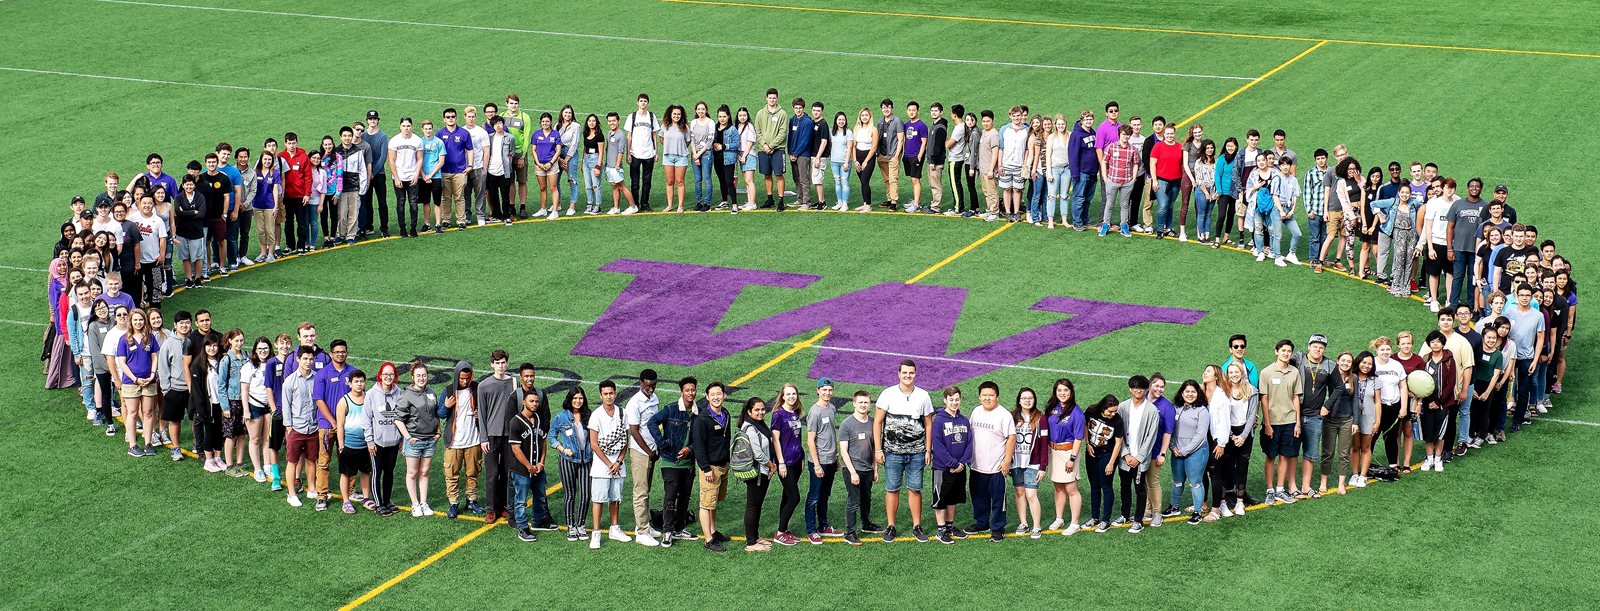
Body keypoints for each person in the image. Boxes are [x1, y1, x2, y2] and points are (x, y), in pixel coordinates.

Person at [873, 359, 934, 543]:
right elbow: (877, 422)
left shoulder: (923, 395)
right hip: (892, 452)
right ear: (899, 374)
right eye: (905, 373)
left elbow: (928, 424)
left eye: (911, 373)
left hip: (916, 452)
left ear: (915, 374)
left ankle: (916, 526)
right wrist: (878, 449)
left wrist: (927, 450)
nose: (908, 376)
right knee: (892, 489)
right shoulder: (887, 394)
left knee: (915, 489)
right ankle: (891, 525)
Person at [646, 376, 699, 547]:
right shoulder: (671, 409)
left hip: (689, 463)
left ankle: (679, 528)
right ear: (681, 392)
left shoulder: (700, 412)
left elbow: (699, 438)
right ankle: (667, 531)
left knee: (684, 497)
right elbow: (652, 422)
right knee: (670, 497)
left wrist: (690, 449)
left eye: (693, 390)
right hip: (670, 462)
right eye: (687, 390)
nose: (690, 393)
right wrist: (661, 443)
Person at [967, 381, 1015, 542]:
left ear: (997, 397)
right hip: (976, 465)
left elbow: (1011, 438)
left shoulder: (1004, 414)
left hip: (996, 467)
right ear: (979, 397)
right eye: (984, 395)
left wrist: (1007, 460)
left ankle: (997, 527)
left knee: (998, 499)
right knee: (978, 496)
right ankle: (982, 523)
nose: (987, 398)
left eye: (991, 395)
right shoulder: (975, 412)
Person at [475, 351, 519, 524]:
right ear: (491, 364)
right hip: (492, 436)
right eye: (497, 363)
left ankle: (505, 507)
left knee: (507, 473)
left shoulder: (514, 383)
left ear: (507, 363)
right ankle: (491, 508)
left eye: (503, 362)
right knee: (492, 474)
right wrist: (483, 438)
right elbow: (482, 414)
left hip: (510, 436)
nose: (501, 366)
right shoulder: (483, 386)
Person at [587, 380, 633, 549]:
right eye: (605, 394)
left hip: (618, 464)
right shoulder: (596, 415)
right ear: (601, 396)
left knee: (615, 497)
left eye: (611, 393)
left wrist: (619, 461)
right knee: (598, 499)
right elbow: (594, 444)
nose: (609, 396)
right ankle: (596, 533)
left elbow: (625, 440)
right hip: (601, 466)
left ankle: (615, 528)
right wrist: (609, 464)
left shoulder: (623, 413)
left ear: (616, 394)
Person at [436, 361, 482, 519]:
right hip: (454, 442)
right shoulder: (448, 390)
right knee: (451, 474)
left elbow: (486, 408)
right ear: (457, 376)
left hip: (474, 440)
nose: (464, 381)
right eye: (462, 378)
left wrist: (479, 414)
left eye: (467, 378)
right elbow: (440, 414)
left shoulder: (476, 388)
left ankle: (472, 500)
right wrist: (447, 406)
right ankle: (453, 503)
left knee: (473, 473)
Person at [1259, 340, 1303, 504]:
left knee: (1285, 455)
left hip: (1290, 421)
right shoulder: (1266, 372)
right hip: (1273, 423)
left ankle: (1280, 490)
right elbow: (1264, 399)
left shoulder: (1294, 372)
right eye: (1283, 350)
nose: (1286, 353)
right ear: (1276, 352)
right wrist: (1267, 424)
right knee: (1271, 456)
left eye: (1289, 351)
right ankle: (1270, 490)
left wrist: (1297, 423)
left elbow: (1296, 397)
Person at [311, 339, 353, 510]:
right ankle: (321, 496)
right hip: (327, 426)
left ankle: (350, 491)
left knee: (348, 459)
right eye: (337, 352)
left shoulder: (353, 372)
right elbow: (319, 400)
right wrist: (334, 422)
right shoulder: (322, 374)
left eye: (343, 351)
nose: (340, 354)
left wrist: (344, 423)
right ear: (331, 354)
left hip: (349, 425)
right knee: (324, 461)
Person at [690, 381, 733, 551]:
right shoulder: (702, 419)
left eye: (719, 394)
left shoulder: (726, 414)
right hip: (710, 468)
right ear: (707, 397)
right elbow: (699, 446)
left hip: (723, 465)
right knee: (706, 504)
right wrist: (706, 468)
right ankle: (708, 539)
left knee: (714, 501)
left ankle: (713, 531)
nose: (716, 397)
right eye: (712, 395)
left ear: (724, 395)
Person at [396, 358, 441, 517]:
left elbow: (435, 414)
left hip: (430, 440)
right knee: (412, 473)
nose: (422, 378)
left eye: (424, 375)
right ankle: (415, 504)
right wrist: (408, 438)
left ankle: (424, 502)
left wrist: (438, 432)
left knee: (425, 472)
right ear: (412, 377)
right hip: (415, 440)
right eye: (418, 376)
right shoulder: (406, 395)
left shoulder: (431, 392)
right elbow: (398, 419)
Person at [364, 360, 409, 517]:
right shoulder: (371, 394)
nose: (388, 377)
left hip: (394, 442)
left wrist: (402, 439)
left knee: (389, 472)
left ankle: (387, 501)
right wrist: (370, 441)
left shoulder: (399, 393)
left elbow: (404, 418)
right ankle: (378, 503)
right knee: (377, 472)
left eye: (391, 374)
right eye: (385, 374)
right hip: (377, 443)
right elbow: (367, 420)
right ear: (380, 376)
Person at [1114, 376, 1159, 533]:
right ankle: (1125, 514)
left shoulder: (1152, 410)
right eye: (1134, 388)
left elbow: (1151, 437)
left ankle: (1138, 520)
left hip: (1141, 460)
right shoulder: (1123, 407)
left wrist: (1138, 457)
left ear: (1146, 390)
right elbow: (1118, 433)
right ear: (1130, 389)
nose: (1137, 390)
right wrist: (1126, 454)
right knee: (1124, 486)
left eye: (1141, 388)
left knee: (1140, 488)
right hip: (1125, 458)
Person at [624, 369, 663, 547]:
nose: (651, 389)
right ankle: (641, 531)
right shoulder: (633, 403)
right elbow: (634, 431)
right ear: (641, 383)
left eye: (653, 386)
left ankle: (645, 524)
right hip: (641, 452)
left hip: (651, 450)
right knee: (640, 491)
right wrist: (649, 451)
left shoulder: (654, 399)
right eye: (648, 386)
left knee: (646, 490)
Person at [1293, 334, 1335, 498]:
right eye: (1315, 346)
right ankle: (1292, 487)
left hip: (1315, 417)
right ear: (1309, 346)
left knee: (1310, 454)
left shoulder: (1329, 365)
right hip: (1294, 416)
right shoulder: (1298, 358)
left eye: (1321, 347)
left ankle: (1306, 486)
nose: (1318, 349)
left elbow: (1338, 388)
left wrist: (1327, 405)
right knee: (1291, 453)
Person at [115, 308, 160, 457]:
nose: (138, 322)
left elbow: (154, 358)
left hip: (149, 381)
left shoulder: (150, 338)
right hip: (130, 382)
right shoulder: (124, 339)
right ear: (131, 321)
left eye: (141, 319)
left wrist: (152, 374)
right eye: (135, 320)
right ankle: (133, 445)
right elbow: (122, 363)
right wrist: (135, 379)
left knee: (148, 412)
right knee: (132, 413)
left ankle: (148, 443)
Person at [837, 390, 880, 546]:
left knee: (866, 498)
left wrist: (875, 469)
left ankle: (866, 524)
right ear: (854, 403)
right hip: (852, 469)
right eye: (860, 402)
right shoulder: (846, 424)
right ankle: (849, 532)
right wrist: (853, 472)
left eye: (866, 402)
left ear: (870, 404)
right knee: (854, 501)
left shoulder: (873, 422)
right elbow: (843, 450)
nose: (863, 405)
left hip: (868, 468)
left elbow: (876, 448)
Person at [803, 378, 844, 543]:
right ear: (818, 390)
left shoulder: (832, 408)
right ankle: (811, 530)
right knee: (814, 496)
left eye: (830, 390)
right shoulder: (815, 412)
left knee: (825, 495)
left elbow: (831, 435)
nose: (827, 393)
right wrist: (817, 465)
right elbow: (810, 440)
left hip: (831, 460)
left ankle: (824, 526)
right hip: (818, 463)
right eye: (824, 390)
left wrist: (836, 458)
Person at [930, 385, 972, 544]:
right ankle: (941, 530)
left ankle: (950, 526)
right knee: (941, 499)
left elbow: (970, 443)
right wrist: (952, 463)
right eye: (951, 400)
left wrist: (962, 462)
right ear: (945, 400)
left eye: (957, 399)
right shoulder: (939, 420)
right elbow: (937, 445)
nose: (954, 402)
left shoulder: (964, 420)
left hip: (960, 468)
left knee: (953, 498)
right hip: (943, 468)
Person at [551, 386, 593, 540]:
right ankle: (570, 526)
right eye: (575, 398)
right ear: (569, 399)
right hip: (568, 460)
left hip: (586, 460)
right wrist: (562, 449)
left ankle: (580, 525)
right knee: (570, 494)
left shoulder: (589, 415)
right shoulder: (561, 417)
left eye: (580, 398)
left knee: (586, 494)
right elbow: (552, 436)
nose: (577, 401)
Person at [1215, 362, 1258, 515]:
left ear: (1242, 373)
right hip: (1227, 433)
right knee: (1225, 467)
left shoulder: (1252, 390)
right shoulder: (1223, 391)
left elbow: (1252, 414)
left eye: (1236, 372)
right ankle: (1223, 502)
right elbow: (1222, 417)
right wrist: (1232, 436)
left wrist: (1244, 436)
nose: (1234, 374)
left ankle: (1240, 502)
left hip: (1245, 433)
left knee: (1242, 466)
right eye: (1231, 372)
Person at [281, 347, 320, 507]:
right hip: (296, 428)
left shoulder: (317, 378)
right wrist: (289, 428)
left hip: (313, 428)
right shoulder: (289, 381)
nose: (308, 362)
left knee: (312, 460)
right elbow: (286, 406)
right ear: (298, 359)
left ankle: (312, 488)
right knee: (293, 461)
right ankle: (291, 494)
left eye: (311, 359)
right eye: (305, 359)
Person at [1045, 378, 1085, 534]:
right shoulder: (1051, 408)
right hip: (1053, 452)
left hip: (1068, 452)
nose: (1062, 393)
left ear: (1071, 392)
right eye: (1059, 390)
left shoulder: (1077, 412)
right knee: (1058, 487)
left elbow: (1078, 438)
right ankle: (1059, 518)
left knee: (1071, 488)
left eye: (1066, 390)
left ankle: (1075, 523)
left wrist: (1072, 459)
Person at [1167, 380, 1210, 524]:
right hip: (1177, 452)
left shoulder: (1202, 410)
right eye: (1187, 392)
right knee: (1177, 481)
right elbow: (1170, 430)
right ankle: (1174, 507)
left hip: (1196, 452)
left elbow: (1200, 434)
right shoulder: (1175, 408)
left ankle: (1198, 512)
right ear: (1182, 393)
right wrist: (1173, 447)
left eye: (1193, 392)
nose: (1190, 394)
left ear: (1198, 394)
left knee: (1195, 482)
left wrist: (1185, 450)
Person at [736, 397, 776, 552]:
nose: (761, 412)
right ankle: (751, 542)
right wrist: (771, 465)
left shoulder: (757, 424)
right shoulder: (750, 427)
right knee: (753, 505)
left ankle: (755, 536)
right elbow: (758, 454)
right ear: (749, 411)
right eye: (757, 410)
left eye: (762, 409)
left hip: (762, 471)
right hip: (757, 473)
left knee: (757, 505)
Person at [768, 382, 805, 546]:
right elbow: (775, 440)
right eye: (788, 394)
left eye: (794, 394)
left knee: (787, 496)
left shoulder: (795, 413)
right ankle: (780, 533)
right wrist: (781, 463)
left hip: (796, 461)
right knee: (795, 498)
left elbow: (798, 438)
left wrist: (802, 457)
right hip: (786, 463)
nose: (791, 396)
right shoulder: (778, 414)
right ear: (782, 396)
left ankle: (784, 528)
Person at [1417, 331, 1459, 471]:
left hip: (1444, 403)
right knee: (1428, 431)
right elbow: (1420, 380)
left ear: (1442, 343)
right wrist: (1427, 401)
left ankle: (1438, 458)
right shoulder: (1425, 359)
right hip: (1427, 402)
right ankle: (1429, 458)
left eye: (1438, 341)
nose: (1435, 344)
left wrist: (1439, 401)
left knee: (1441, 432)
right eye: (1432, 342)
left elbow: (1451, 382)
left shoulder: (1449, 360)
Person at [1008, 387, 1047, 538]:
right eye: (1024, 398)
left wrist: (1042, 467)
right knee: (1019, 492)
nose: (1027, 401)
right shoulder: (1011, 416)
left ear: (1034, 400)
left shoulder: (1040, 418)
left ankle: (1036, 526)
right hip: (1016, 462)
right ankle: (1023, 523)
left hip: (1033, 464)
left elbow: (1044, 444)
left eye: (1030, 398)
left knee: (1031, 494)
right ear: (1019, 400)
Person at [508, 391, 546, 542]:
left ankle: (538, 521)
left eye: (536, 401)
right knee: (520, 501)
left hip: (537, 468)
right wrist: (529, 466)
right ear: (524, 402)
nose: (534, 404)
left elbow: (543, 442)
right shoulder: (515, 422)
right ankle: (523, 527)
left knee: (540, 496)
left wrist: (541, 462)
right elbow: (515, 449)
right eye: (531, 401)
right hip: (521, 470)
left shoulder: (539, 418)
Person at [334, 368, 373, 514]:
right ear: (350, 384)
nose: (359, 384)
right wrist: (341, 445)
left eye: (362, 381)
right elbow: (340, 425)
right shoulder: (344, 401)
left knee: (365, 471)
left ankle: (366, 498)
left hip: (366, 444)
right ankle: (346, 501)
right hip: (349, 445)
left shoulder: (369, 398)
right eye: (356, 382)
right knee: (346, 474)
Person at [1506, 284, 1544, 433]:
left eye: (1527, 295)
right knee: (1503, 388)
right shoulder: (1509, 312)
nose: (1524, 298)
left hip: (1526, 356)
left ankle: (1518, 420)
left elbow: (1540, 338)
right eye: (1521, 295)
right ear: (1517, 295)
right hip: (1509, 357)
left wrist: (1535, 360)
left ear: (1531, 296)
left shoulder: (1538, 315)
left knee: (1523, 390)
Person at [156, 311, 193, 461]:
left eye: (187, 322)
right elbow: (163, 367)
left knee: (195, 419)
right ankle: (176, 448)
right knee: (175, 420)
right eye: (181, 323)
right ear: (175, 325)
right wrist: (166, 389)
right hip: (175, 389)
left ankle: (199, 445)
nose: (184, 325)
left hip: (193, 389)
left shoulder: (194, 340)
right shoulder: (169, 344)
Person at [1318, 352, 1356, 494]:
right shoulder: (1330, 377)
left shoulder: (1354, 378)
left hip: (1347, 419)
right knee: (1327, 452)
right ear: (1337, 361)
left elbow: (1355, 401)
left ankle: (1341, 484)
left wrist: (1355, 421)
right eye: (1343, 360)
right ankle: (1324, 482)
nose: (1346, 363)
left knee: (1344, 453)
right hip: (1330, 419)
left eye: (1349, 361)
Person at [437, 108, 474, 230]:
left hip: (459, 171)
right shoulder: (439, 134)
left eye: (452, 116)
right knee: (445, 197)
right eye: (448, 117)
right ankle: (446, 219)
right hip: (444, 171)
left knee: (459, 197)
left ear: (456, 118)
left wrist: (470, 165)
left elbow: (470, 150)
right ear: (444, 119)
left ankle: (461, 220)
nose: (450, 118)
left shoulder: (464, 133)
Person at [385, 117, 423, 237]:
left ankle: (413, 228)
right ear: (400, 126)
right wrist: (396, 177)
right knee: (400, 203)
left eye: (408, 126)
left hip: (412, 176)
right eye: (404, 126)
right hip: (399, 177)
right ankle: (402, 228)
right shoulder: (394, 141)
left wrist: (416, 175)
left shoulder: (417, 140)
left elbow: (419, 158)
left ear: (411, 126)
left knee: (413, 203)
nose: (406, 128)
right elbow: (391, 160)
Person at [624, 94, 662, 212]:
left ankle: (645, 203)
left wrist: (656, 152)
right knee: (634, 182)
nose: (643, 103)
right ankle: (635, 204)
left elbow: (654, 135)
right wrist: (628, 153)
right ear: (637, 102)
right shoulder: (632, 116)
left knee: (647, 181)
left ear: (648, 103)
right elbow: (629, 136)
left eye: (645, 101)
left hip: (649, 153)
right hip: (635, 153)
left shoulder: (651, 116)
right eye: (641, 101)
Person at [1349, 352, 1381, 487]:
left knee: (1366, 447)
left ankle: (1363, 475)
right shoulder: (1352, 377)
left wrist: (1377, 421)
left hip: (1369, 417)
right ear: (1358, 362)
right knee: (1355, 446)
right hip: (1354, 418)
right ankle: (1355, 474)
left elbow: (1378, 402)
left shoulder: (1375, 380)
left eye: (1369, 364)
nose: (1366, 366)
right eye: (1364, 362)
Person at [602, 112, 638, 215]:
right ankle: (616, 208)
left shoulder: (621, 135)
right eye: (609, 121)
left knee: (622, 186)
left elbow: (620, 151)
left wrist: (617, 165)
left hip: (615, 167)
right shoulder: (609, 133)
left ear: (618, 121)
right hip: (609, 166)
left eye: (613, 121)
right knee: (614, 186)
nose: (611, 123)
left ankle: (633, 206)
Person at [658, 105, 691, 214]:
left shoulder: (685, 127)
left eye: (678, 114)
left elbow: (687, 141)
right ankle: (670, 205)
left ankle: (680, 206)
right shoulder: (664, 126)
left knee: (680, 181)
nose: (676, 116)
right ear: (670, 115)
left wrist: (679, 147)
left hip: (681, 157)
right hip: (668, 157)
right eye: (674, 114)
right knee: (669, 181)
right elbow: (661, 139)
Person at [531, 113, 563, 218]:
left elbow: (558, 151)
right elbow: (533, 150)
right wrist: (539, 163)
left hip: (552, 165)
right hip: (539, 165)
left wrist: (550, 163)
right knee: (542, 187)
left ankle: (554, 211)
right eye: (543, 121)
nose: (545, 123)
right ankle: (543, 209)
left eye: (547, 121)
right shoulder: (536, 134)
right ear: (540, 122)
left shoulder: (555, 134)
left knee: (553, 187)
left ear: (550, 122)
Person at [876, 99, 905, 211]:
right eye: (884, 107)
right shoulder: (880, 122)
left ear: (892, 108)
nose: (886, 109)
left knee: (893, 179)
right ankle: (889, 199)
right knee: (886, 179)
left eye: (888, 107)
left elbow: (900, 139)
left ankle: (894, 201)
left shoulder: (897, 121)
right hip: (882, 155)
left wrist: (897, 155)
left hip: (893, 154)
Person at [689, 101, 717, 212]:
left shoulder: (710, 122)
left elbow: (710, 141)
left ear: (706, 110)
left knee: (707, 179)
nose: (701, 111)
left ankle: (707, 203)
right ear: (696, 110)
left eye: (703, 109)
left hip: (706, 154)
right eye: (699, 109)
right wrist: (695, 154)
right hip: (695, 153)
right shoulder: (693, 122)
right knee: (697, 180)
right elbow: (692, 139)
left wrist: (699, 154)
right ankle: (698, 202)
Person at [852, 108, 879, 214]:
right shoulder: (856, 128)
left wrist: (866, 161)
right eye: (862, 115)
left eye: (866, 115)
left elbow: (874, 147)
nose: (864, 117)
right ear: (860, 117)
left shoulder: (873, 129)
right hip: (858, 157)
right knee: (861, 182)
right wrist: (855, 160)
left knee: (865, 181)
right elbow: (853, 146)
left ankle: (868, 205)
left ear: (870, 116)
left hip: (869, 158)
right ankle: (864, 203)